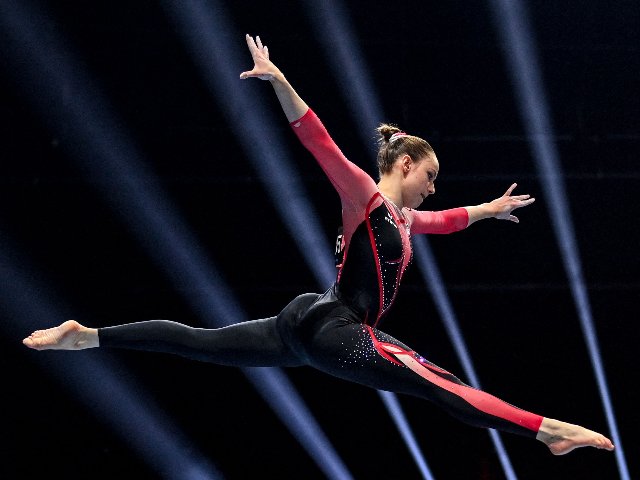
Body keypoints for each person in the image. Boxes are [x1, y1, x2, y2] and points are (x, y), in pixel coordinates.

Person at [24, 34, 614, 457]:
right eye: (429, 176)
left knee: (202, 344)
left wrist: (489, 209)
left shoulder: (406, 222)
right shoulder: (366, 196)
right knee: (441, 385)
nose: (433, 188)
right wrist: (280, 80)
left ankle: (90, 336)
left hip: (305, 323)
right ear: (404, 164)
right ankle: (546, 429)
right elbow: (320, 142)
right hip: (337, 331)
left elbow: (448, 220)